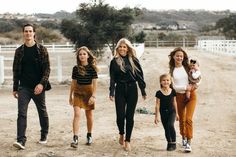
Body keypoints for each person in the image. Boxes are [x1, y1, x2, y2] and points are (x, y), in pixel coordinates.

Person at [12, 23, 51, 150]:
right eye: (26, 31)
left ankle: (44, 135)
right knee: (21, 113)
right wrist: (15, 88)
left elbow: (47, 69)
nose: (28, 33)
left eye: (30, 31)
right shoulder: (19, 51)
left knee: (42, 111)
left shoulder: (42, 50)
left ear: (34, 33)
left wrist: (41, 84)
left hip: (38, 87)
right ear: (23, 33)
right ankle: (21, 140)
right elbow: (16, 71)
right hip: (24, 87)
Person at [109, 38, 147, 151]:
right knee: (120, 116)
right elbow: (112, 78)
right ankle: (121, 133)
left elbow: (140, 76)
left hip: (132, 89)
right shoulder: (114, 61)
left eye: (124, 47)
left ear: (128, 48)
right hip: (120, 89)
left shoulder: (134, 60)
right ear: (117, 48)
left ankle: (128, 140)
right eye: (120, 47)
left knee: (129, 116)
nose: (122, 48)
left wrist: (143, 90)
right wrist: (111, 91)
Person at [168, 47, 197, 153]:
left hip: (191, 95)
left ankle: (189, 143)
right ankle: (183, 136)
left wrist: (195, 86)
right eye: (177, 55)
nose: (179, 57)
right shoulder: (172, 70)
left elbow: (198, 77)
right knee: (182, 119)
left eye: (181, 55)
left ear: (183, 56)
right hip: (179, 96)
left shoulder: (188, 67)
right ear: (174, 57)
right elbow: (174, 87)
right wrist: (186, 88)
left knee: (189, 119)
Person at [69, 46, 98, 148]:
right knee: (77, 114)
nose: (82, 56)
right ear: (78, 56)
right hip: (77, 93)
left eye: (84, 54)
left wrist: (93, 96)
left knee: (89, 115)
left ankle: (89, 135)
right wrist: (70, 96)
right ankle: (75, 138)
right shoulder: (75, 68)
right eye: (80, 54)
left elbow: (95, 84)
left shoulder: (92, 68)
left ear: (88, 55)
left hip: (89, 93)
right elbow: (73, 83)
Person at [154, 74, 179, 151]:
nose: (166, 82)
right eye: (164, 80)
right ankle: (169, 143)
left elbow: (175, 102)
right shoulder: (159, 93)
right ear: (161, 82)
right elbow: (157, 105)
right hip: (163, 112)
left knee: (170, 125)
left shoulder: (173, 91)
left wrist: (177, 113)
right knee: (166, 128)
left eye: (167, 80)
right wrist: (156, 116)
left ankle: (173, 142)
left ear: (170, 82)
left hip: (172, 112)